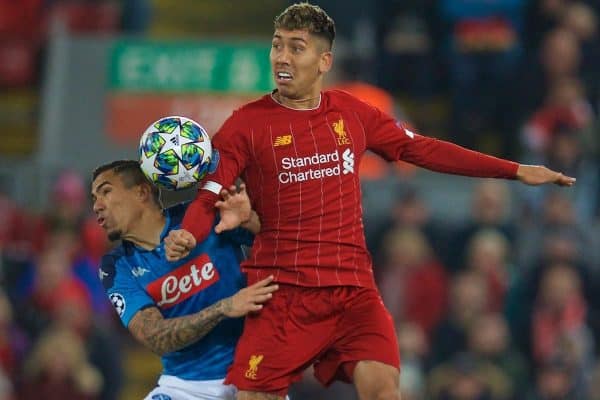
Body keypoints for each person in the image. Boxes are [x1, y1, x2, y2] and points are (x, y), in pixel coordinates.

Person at [164, 4, 575, 400]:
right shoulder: (246, 125)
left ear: (325, 61)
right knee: (254, 395)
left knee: (383, 390)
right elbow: (211, 193)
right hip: (283, 296)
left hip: (352, 292)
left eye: (296, 47)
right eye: (277, 44)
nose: (282, 57)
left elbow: (426, 150)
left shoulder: (353, 113)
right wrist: (187, 232)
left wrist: (516, 170)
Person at [91, 160, 278, 400]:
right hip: (185, 387)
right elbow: (154, 336)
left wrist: (250, 219)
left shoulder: (204, 215)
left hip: (253, 367)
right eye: (94, 197)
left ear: (141, 192)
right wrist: (224, 307)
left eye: (105, 192)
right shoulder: (117, 266)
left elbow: (292, 244)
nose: (96, 206)